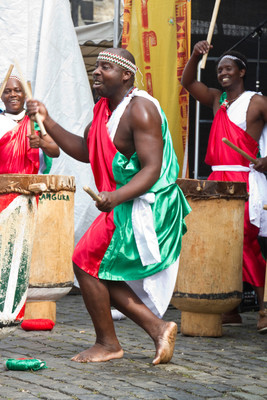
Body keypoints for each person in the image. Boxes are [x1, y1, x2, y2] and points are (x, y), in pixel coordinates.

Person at [27, 47, 191, 364]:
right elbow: (86, 149)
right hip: (123, 203)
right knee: (94, 267)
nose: (96, 72)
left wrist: (115, 197)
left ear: (126, 75)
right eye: (96, 66)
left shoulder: (140, 110)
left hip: (146, 204)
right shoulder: (104, 110)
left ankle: (109, 343)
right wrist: (48, 120)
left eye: (105, 67)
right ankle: (157, 329)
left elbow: (152, 169)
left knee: (86, 262)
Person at [181, 40, 267, 333]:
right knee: (219, 242)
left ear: (242, 71)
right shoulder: (218, 100)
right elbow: (188, 81)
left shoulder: (257, 101)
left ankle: (264, 307)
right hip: (218, 180)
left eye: (228, 68)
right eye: (219, 69)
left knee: (245, 243)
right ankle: (229, 309)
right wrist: (195, 54)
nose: (222, 73)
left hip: (244, 179)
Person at [0, 75, 59, 174]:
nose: (13, 94)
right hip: (3, 186)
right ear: (1, 96)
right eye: (7, 91)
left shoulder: (35, 120)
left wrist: (41, 143)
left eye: (17, 90)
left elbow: (55, 151)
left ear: (25, 95)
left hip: (31, 186)